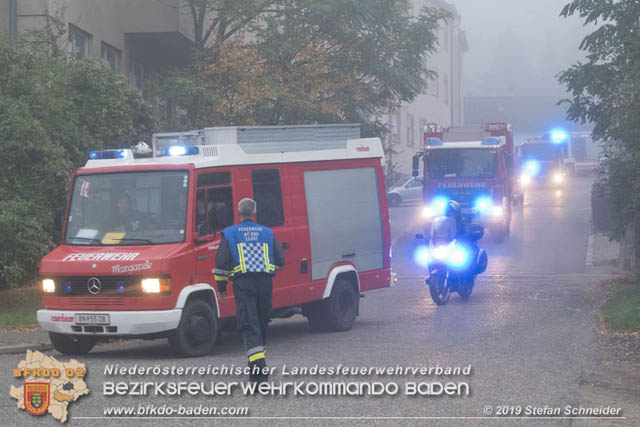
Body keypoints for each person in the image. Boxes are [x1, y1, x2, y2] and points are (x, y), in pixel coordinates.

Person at [213, 198, 285, 383]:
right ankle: (258, 373)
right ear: (254, 212)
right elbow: (280, 259)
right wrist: (270, 272)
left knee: (249, 325)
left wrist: (221, 286)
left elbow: (221, 263)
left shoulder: (230, 234)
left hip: (244, 284)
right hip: (265, 283)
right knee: (261, 323)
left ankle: (259, 377)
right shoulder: (267, 232)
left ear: (238, 212)